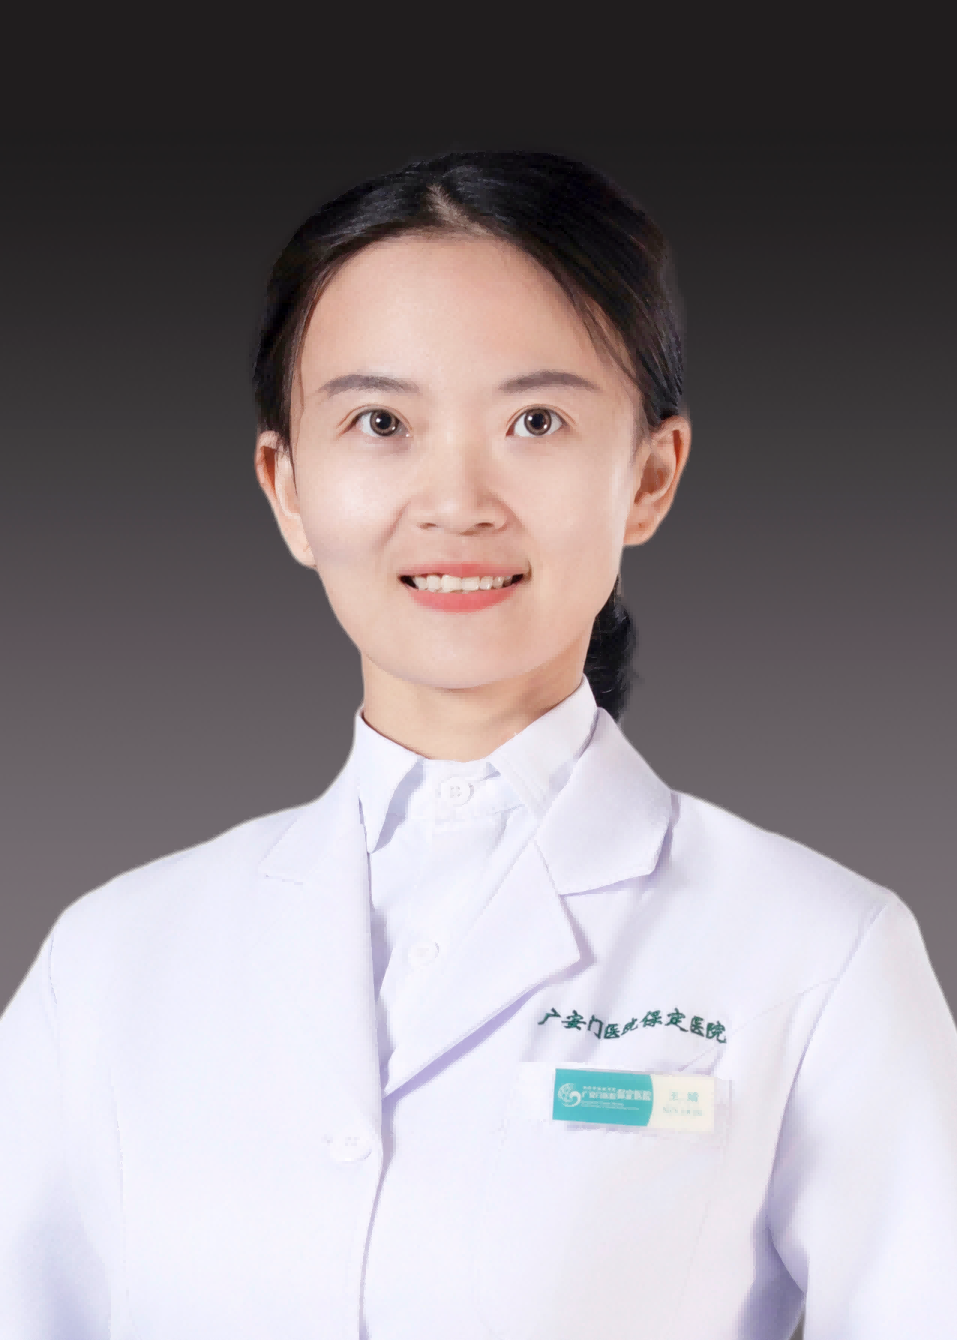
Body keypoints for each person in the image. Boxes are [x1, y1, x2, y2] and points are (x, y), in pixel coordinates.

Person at [1, 150, 955, 1340]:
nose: (456, 500)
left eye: (535, 420)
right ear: (287, 485)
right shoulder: (110, 963)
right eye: (381, 422)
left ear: (651, 475)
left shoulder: (819, 953)